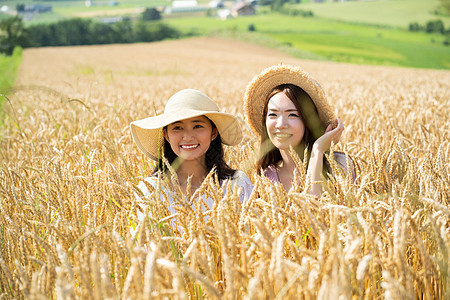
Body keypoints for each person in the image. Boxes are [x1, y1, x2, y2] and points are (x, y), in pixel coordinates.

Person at [130, 89, 252, 233]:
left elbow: (252, 241)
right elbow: (141, 249)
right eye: (177, 128)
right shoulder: (149, 192)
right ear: (166, 135)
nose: (188, 137)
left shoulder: (236, 185)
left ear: (213, 132)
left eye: (198, 126)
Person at [243, 64, 355, 197]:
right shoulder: (265, 178)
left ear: (309, 122)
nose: (280, 124)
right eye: (273, 115)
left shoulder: (340, 166)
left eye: (292, 115)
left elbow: (315, 213)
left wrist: (317, 152)